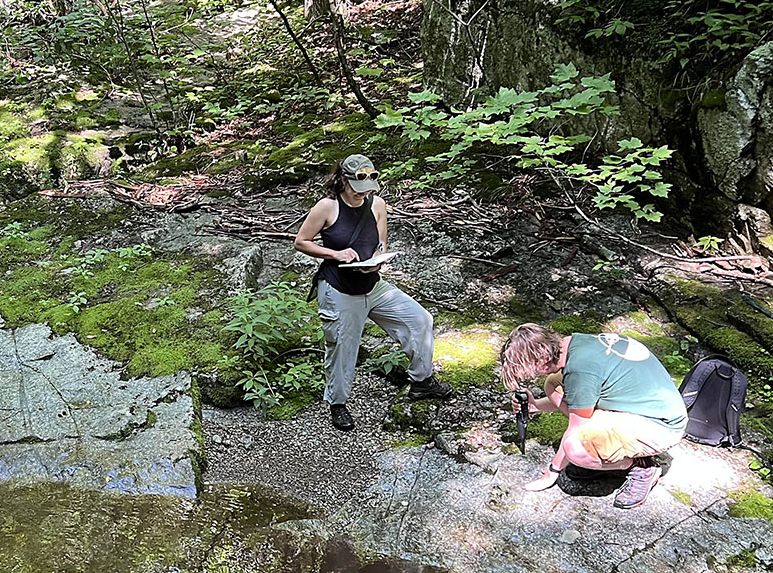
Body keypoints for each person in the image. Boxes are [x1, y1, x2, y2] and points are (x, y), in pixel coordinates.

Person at [294, 153, 452, 432]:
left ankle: (422, 381)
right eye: (356, 189)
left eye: (366, 189)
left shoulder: (377, 204)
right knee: (343, 346)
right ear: (343, 180)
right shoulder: (327, 207)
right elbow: (301, 241)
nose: (361, 194)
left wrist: (377, 261)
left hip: (372, 284)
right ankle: (338, 404)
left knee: (420, 319)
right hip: (339, 288)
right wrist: (336, 254)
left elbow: (381, 244)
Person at [499, 323, 688, 508]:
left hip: (662, 426)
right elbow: (580, 394)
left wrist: (552, 472)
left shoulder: (580, 370)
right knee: (554, 384)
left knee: (575, 449)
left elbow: (576, 427)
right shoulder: (574, 344)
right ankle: (605, 450)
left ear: (542, 358)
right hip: (649, 408)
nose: (531, 375)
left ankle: (639, 466)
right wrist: (536, 406)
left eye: (529, 368)